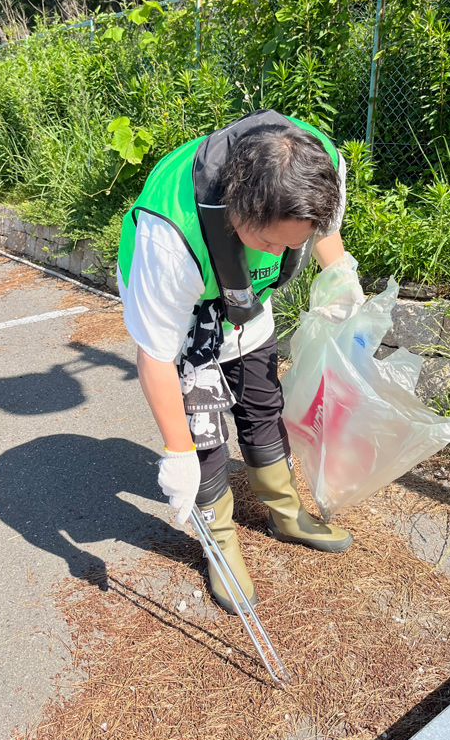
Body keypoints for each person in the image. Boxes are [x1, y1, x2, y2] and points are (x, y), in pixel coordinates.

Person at [117, 109, 365, 612]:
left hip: (245, 302)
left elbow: (323, 232)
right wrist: (176, 453)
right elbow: (156, 358)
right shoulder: (169, 238)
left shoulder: (321, 169)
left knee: (261, 402)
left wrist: (339, 270)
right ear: (237, 208)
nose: (278, 250)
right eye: (268, 241)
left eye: (289, 242)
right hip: (184, 309)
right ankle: (220, 541)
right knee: (201, 429)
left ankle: (283, 510)